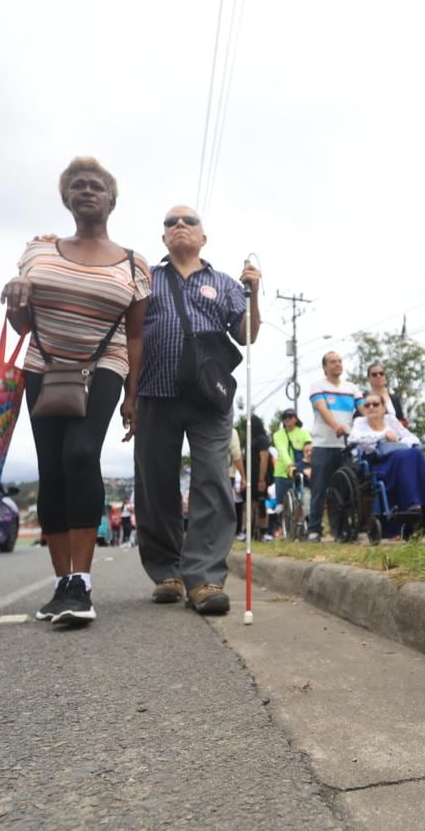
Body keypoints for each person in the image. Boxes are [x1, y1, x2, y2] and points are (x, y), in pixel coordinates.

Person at [1, 156, 149, 627]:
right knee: (51, 467)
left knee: (81, 455)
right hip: (43, 363)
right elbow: (22, 323)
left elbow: (136, 335)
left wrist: (133, 394)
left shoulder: (133, 263)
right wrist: (16, 297)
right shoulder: (38, 251)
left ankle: (81, 582)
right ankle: (61, 581)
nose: (87, 191)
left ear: (111, 199)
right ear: (66, 198)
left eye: (97, 186)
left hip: (103, 364)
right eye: (78, 186)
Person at [131, 205, 260, 615]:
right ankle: (166, 572)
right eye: (171, 222)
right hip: (154, 391)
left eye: (189, 221)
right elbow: (130, 336)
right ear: (163, 237)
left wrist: (253, 294)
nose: (180, 225)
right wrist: (128, 395)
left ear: (203, 237)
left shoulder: (223, 283)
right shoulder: (146, 279)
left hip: (209, 397)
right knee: (156, 484)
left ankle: (204, 577)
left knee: (212, 481)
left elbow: (246, 334)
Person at [350, 393, 425, 533]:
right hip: (379, 464)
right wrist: (383, 435)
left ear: (383, 408)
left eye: (375, 404)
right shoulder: (360, 422)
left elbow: (412, 438)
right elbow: (354, 440)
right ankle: (418, 503)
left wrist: (397, 441)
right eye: (367, 405)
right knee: (409, 455)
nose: (371, 407)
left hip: (400, 458)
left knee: (415, 453)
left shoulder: (390, 420)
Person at [307, 352, 362, 542]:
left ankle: (342, 528)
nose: (337, 364)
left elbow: (364, 410)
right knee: (319, 489)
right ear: (325, 367)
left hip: (345, 446)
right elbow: (323, 410)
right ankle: (314, 529)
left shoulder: (352, 388)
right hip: (323, 444)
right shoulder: (318, 386)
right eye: (332, 362)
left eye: (339, 361)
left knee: (345, 490)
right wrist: (336, 426)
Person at [271, 408, 312, 539]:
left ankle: (301, 528)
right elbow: (282, 451)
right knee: (280, 506)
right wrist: (290, 465)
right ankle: (282, 530)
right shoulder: (278, 435)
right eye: (285, 417)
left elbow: (309, 449)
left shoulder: (304, 433)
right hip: (282, 472)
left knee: (301, 500)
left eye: (290, 416)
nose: (287, 419)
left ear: (295, 418)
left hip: (300, 471)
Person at [246, 414, 272, 540]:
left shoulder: (262, 439)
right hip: (252, 478)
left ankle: (264, 532)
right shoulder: (252, 441)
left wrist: (262, 479)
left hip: (259, 478)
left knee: (261, 504)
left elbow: (264, 458)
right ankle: (250, 532)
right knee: (251, 504)